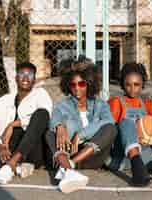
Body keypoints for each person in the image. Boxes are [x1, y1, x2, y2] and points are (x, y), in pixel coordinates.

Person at [45, 57, 117, 193]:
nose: (77, 88)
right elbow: (54, 118)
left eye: (81, 84)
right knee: (49, 133)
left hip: (91, 157)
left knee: (110, 129)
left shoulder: (100, 104)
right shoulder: (62, 105)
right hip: (69, 153)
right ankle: (67, 167)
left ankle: (68, 168)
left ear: (89, 84)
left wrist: (81, 135)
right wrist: (59, 126)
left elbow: (109, 121)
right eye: (73, 85)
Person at [108, 63, 152, 186]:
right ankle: (139, 174)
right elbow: (108, 129)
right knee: (127, 122)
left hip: (141, 155)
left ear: (142, 84)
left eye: (136, 84)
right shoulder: (116, 102)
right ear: (122, 85)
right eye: (128, 85)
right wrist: (134, 135)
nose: (132, 89)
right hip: (118, 157)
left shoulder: (146, 103)